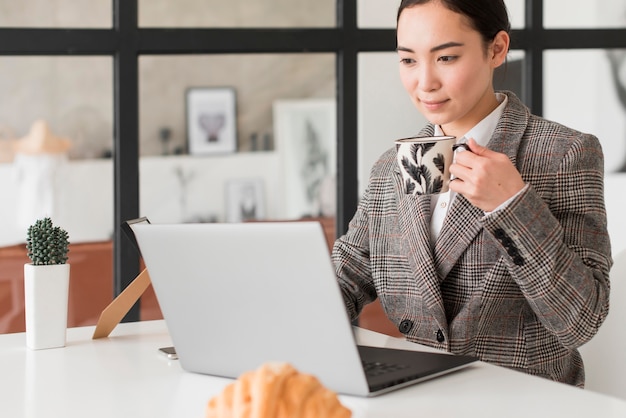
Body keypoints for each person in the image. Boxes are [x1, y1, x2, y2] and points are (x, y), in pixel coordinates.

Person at [332, 0, 612, 388]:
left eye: (445, 57)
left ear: (496, 48)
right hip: (414, 395)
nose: (424, 82)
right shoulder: (390, 167)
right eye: (409, 60)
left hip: (527, 404)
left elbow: (580, 321)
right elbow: (347, 277)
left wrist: (512, 206)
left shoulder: (564, 154)